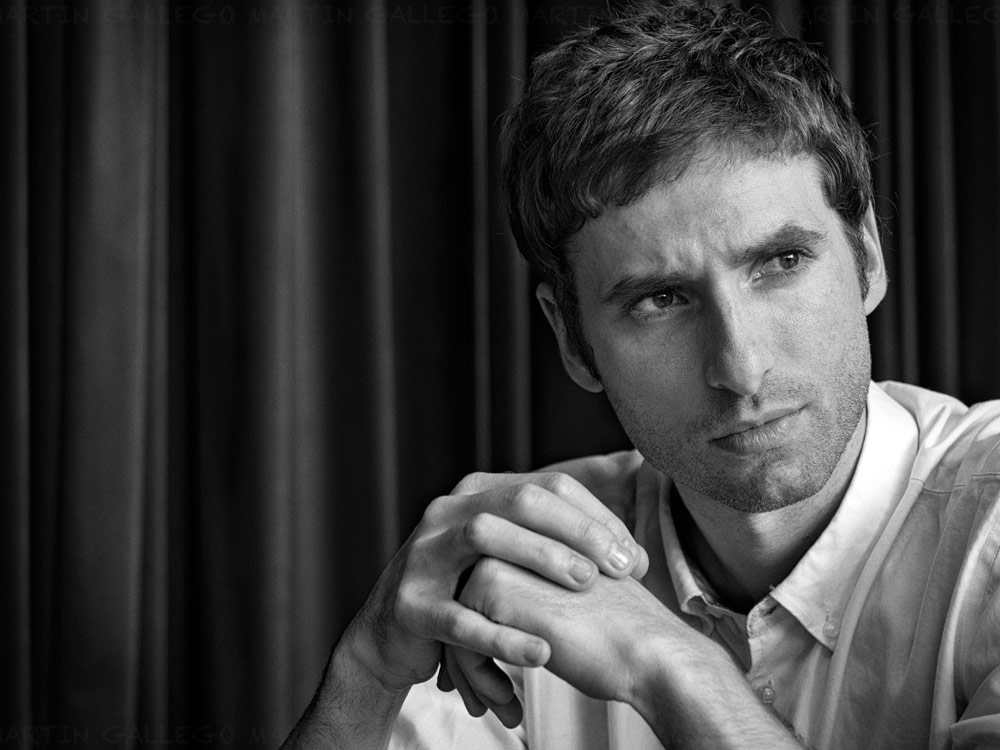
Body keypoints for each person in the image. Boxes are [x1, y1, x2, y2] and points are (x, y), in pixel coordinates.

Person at [282, 3, 1000, 748]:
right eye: (661, 301)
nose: (740, 368)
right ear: (572, 341)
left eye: (781, 263)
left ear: (868, 256)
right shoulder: (537, 553)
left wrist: (671, 667)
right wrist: (367, 670)